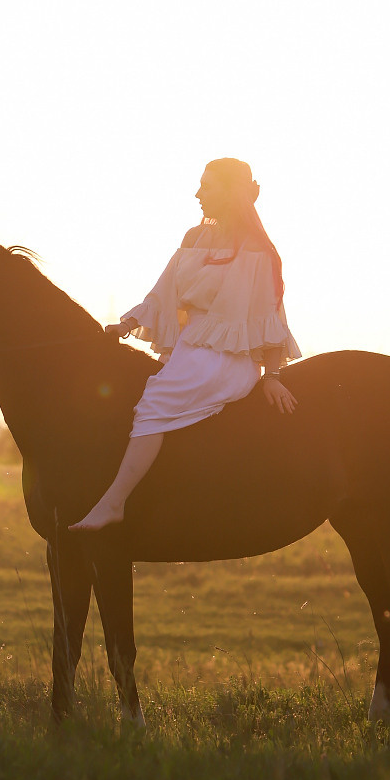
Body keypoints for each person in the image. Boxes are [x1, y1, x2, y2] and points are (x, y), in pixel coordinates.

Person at [70, 157, 301, 531]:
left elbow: (269, 318)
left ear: (230, 193)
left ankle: (114, 503)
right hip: (191, 348)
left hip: (228, 358)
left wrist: (272, 375)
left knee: (154, 401)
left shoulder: (258, 251)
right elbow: (165, 292)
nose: (197, 193)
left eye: (207, 187)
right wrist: (128, 323)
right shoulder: (193, 238)